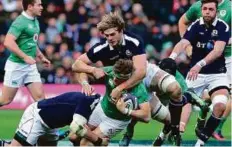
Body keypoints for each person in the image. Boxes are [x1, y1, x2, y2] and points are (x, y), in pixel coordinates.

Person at [170, 0, 230, 146]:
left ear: (217, 11)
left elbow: (217, 51)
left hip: (221, 67)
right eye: (205, 9)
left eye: (211, 9)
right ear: (201, 9)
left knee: (222, 103)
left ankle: (202, 140)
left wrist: (198, 64)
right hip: (197, 71)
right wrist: (172, 58)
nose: (207, 11)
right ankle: (176, 131)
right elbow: (183, 40)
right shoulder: (196, 23)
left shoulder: (225, 21)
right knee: (181, 101)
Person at [119, 58, 208, 146]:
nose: (166, 75)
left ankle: (162, 137)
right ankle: (128, 134)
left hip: (167, 97)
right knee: (136, 113)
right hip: (152, 93)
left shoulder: (178, 81)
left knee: (172, 120)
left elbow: (186, 106)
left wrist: (182, 124)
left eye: (169, 74)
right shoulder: (150, 73)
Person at [72, 11, 147, 100]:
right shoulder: (101, 47)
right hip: (114, 79)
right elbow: (76, 65)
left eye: (112, 34)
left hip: (138, 79)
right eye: (106, 35)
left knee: (159, 78)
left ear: (121, 30)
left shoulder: (134, 42)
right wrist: (92, 71)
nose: (109, 38)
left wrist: (120, 88)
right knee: (83, 69)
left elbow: (141, 72)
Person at [76, 59, 150, 146]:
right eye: (114, 75)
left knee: (85, 143)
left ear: (127, 78)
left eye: (118, 78)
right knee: (74, 136)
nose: (114, 79)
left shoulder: (139, 88)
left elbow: (146, 116)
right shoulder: (110, 70)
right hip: (101, 109)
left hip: (116, 121)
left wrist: (125, 110)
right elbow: (80, 70)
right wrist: (85, 83)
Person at [0, 92, 109, 146]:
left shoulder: (93, 104)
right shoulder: (88, 103)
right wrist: (99, 141)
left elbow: (73, 137)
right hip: (36, 117)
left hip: (51, 127)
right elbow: (74, 133)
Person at [1, 0, 50, 106]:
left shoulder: (35, 20)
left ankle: (42, 122)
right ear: (30, 7)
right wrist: (25, 57)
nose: (41, 7)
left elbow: (32, 41)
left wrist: (40, 56)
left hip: (30, 67)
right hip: (17, 66)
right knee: (5, 100)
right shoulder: (20, 22)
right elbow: (8, 42)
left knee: (41, 99)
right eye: (39, 5)